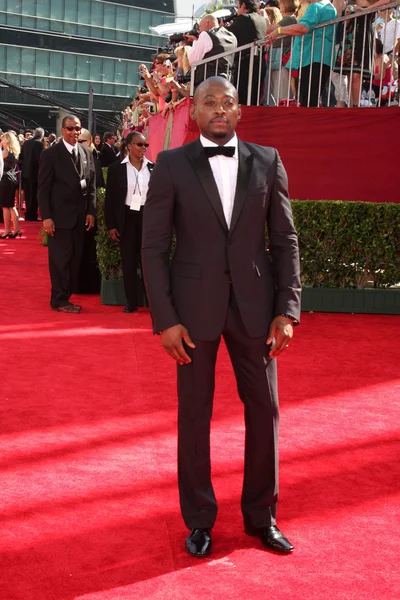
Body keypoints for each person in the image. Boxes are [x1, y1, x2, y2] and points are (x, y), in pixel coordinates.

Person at [142, 76, 301, 558]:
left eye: (226, 102)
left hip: (256, 309)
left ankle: (261, 516)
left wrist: (287, 310)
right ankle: (199, 519)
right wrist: (165, 319)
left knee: (265, 413)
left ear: (239, 111)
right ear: (194, 113)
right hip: (192, 314)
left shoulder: (268, 161)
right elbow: (152, 248)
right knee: (195, 417)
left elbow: (285, 240)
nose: (218, 109)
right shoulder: (170, 164)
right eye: (208, 102)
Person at [37, 115, 96, 313]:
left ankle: (65, 297)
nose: (74, 132)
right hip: (58, 218)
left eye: (77, 128)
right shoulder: (50, 154)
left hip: (80, 218)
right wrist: (46, 217)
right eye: (70, 129)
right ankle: (59, 300)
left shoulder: (87, 153)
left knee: (73, 260)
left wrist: (91, 211)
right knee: (60, 260)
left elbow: (92, 186)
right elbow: (43, 189)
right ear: (63, 130)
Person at [105, 132, 154, 313]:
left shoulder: (153, 168)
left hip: (147, 218)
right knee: (128, 262)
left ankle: (152, 302)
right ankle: (131, 302)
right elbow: (110, 199)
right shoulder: (116, 168)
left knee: (149, 262)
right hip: (126, 218)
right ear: (129, 146)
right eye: (140, 144)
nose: (143, 148)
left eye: (145, 145)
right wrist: (111, 225)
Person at [269, 0, 337, 107]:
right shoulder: (331, 8)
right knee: (312, 98)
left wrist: (278, 30)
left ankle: (307, 123)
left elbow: (303, 28)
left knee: (307, 99)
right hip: (322, 57)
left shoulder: (316, 7)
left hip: (311, 58)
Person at [228, 0, 268, 105]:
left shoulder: (243, 19)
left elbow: (228, 35)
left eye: (238, 7)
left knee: (243, 97)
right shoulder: (262, 19)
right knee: (255, 95)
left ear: (243, 5)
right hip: (260, 61)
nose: (237, 10)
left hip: (246, 63)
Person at [186, 14, 237, 86]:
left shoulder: (205, 34)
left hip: (208, 82)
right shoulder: (232, 36)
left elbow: (192, 60)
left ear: (207, 23)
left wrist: (195, 42)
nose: (199, 31)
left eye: (200, 27)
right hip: (227, 81)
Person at [19, 127, 44, 221]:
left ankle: (28, 214)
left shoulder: (26, 143)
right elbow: (40, 159)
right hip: (35, 174)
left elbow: (21, 157)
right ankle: (32, 215)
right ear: (42, 136)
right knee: (34, 195)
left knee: (28, 195)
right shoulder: (39, 144)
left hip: (25, 173)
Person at [0, 132, 21, 238]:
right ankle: (16, 229)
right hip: (12, 178)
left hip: (5, 179)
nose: (1, 142)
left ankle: (7, 230)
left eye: (3, 139)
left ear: (7, 140)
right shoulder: (15, 152)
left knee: (6, 206)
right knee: (11, 206)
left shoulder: (5, 152)